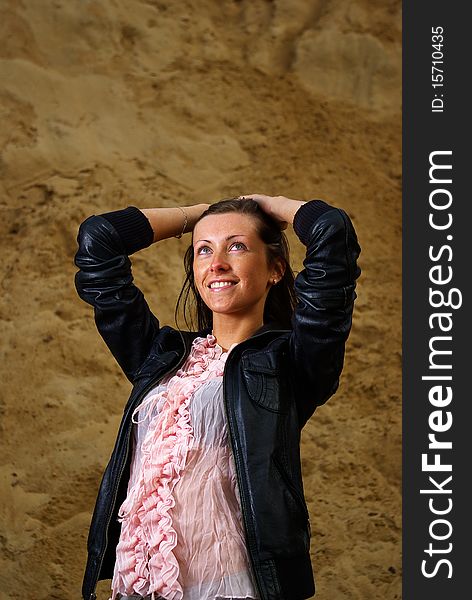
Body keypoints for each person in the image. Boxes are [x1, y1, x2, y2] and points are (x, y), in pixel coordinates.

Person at [74, 194, 361, 600]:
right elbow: (98, 240)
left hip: (230, 587)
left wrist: (267, 204)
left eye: (237, 246)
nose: (217, 263)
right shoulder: (161, 357)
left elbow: (332, 231)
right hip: (141, 584)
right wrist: (198, 215)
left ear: (276, 269)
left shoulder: (291, 363)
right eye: (203, 251)